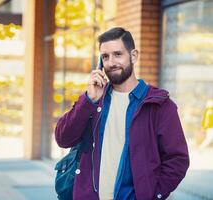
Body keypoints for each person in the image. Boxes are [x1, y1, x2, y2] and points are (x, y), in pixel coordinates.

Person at [55, 27, 189, 200]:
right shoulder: (94, 100)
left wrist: (153, 195)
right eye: (105, 57)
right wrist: (88, 100)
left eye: (118, 54)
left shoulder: (159, 106)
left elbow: (177, 160)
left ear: (133, 56)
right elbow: (63, 138)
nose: (111, 62)